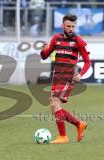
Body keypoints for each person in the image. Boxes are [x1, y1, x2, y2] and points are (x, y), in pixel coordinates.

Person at [40, 14, 91, 144]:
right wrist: (43, 50)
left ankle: (63, 136)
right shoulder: (56, 38)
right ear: (62, 26)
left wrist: (80, 74)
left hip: (68, 76)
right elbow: (45, 56)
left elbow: (87, 62)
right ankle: (79, 124)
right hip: (57, 76)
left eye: (73, 26)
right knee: (54, 105)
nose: (71, 29)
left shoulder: (78, 41)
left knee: (55, 102)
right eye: (68, 26)